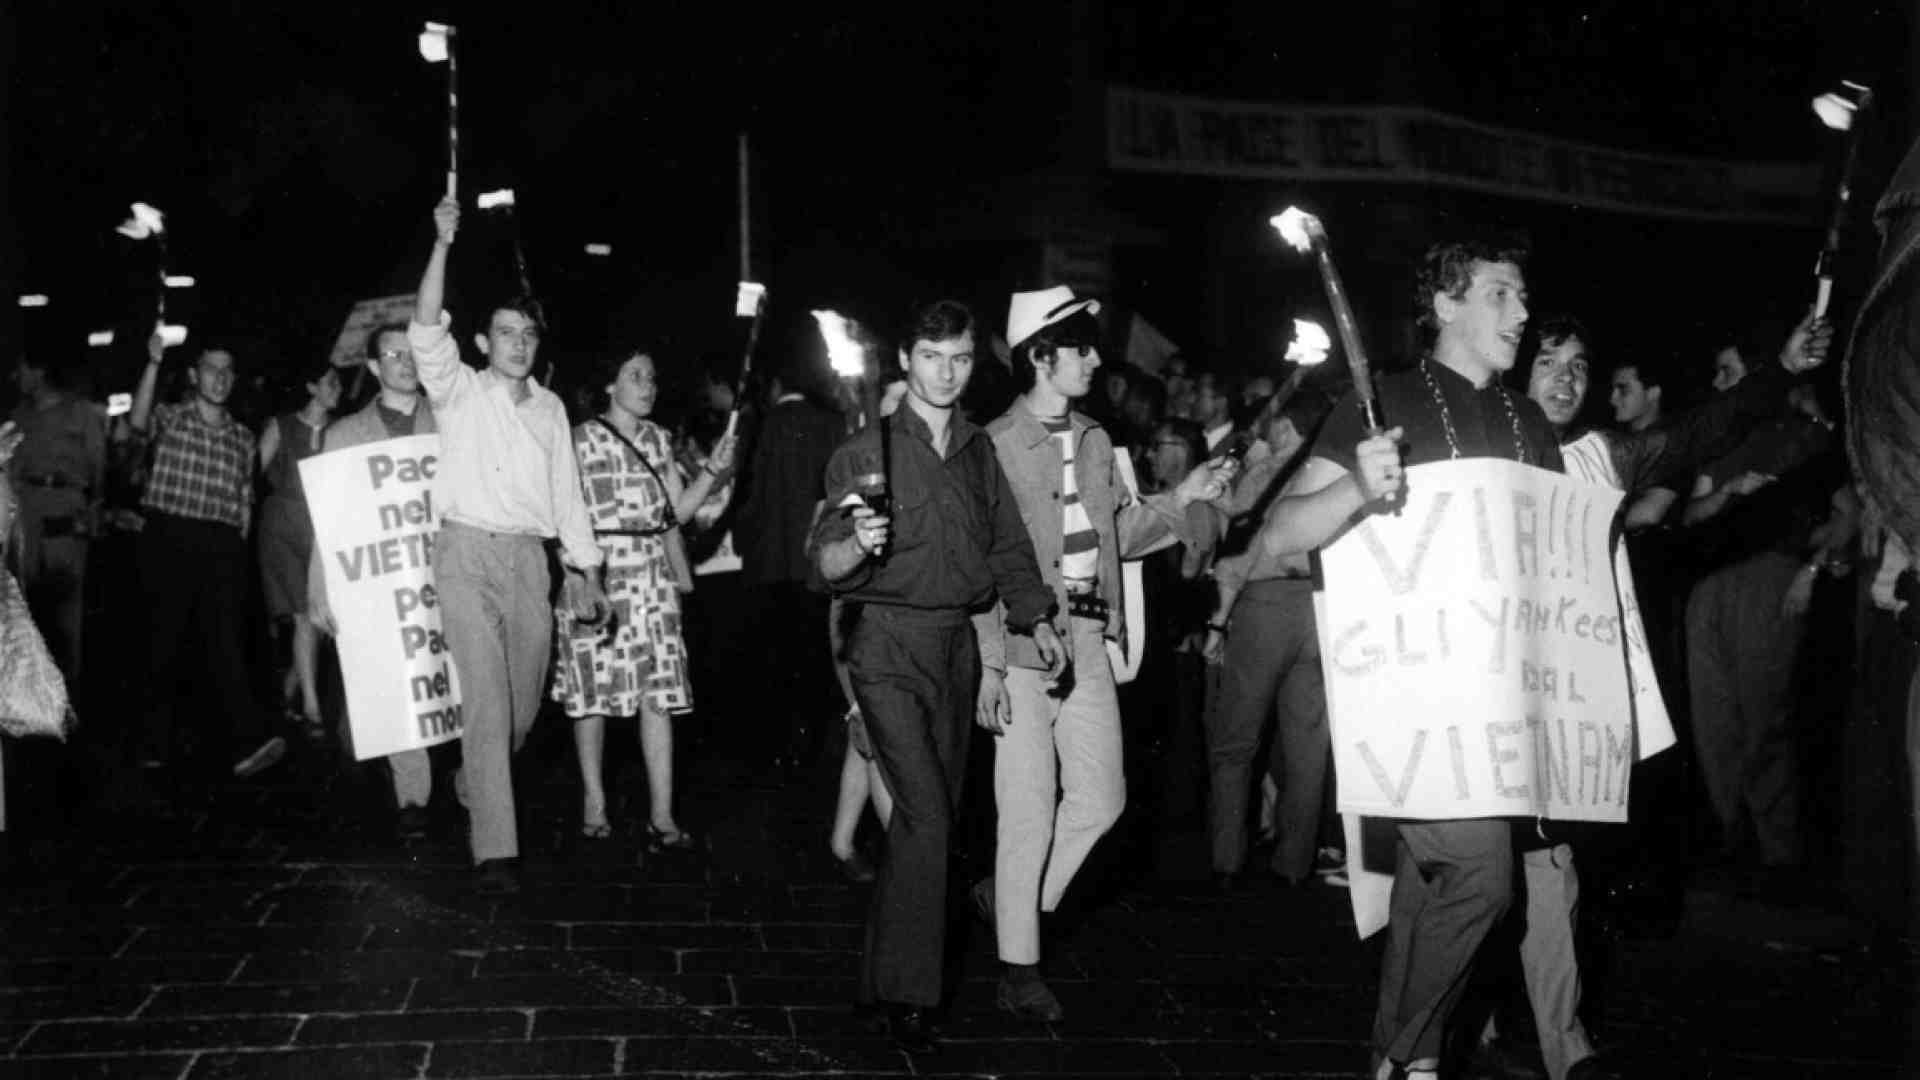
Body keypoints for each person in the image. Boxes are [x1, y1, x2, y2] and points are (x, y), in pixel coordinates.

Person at [1483, 310, 1829, 1080]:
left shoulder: (1605, 455)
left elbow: (1706, 427)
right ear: (1514, 368)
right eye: (1550, 361)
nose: (1569, 377)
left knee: (1551, 859)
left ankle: (1562, 1041)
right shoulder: (1470, 446)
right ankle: (1440, 1028)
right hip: (1480, 696)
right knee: (1472, 875)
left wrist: (1779, 367)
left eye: (1581, 364)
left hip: (1562, 697)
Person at [1259, 240, 1562, 1080]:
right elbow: (1281, 540)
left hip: (1494, 702)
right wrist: (1358, 485)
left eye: (1524, 296)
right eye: (1503, 293)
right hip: (1405, 695)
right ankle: (1405, 1058)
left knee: (1431, 889)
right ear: (1447, 305)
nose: (1522, 313)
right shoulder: (1379, 401)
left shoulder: (1529, 423)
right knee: (1480, 879)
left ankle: (1404, 1059)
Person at [811, 299, 1064, 1054]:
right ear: (905, 362)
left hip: (955, 646)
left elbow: (1009, 546)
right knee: (928, 816)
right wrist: (857, 541)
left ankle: (878, 979)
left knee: (930, 821)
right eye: (931, 358)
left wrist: (1037, 615)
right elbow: (824, 567)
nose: (946, 372)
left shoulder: (979, 451)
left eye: (958, 358)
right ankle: (912, 997)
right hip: (885, 647)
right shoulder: (865, 451)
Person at [970, 285, 1223, 1023]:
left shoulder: (1093, 440)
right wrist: (990, 659)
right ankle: (1020, 967)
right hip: (1021, 646)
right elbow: (982, 565)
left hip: (1088, 639)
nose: (1095, 359)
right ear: (1041, 357)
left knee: (1102, 797)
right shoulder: (991, 446)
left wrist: (1188, 496)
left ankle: (1014, 901)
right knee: (1025, 812)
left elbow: (1122, 536)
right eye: (1081, 347)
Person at [409, 196, 609, 894]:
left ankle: (472, 774)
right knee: (488, 705)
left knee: (522, 708)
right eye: (504, 332)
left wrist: (585, 571)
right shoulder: (458, 390)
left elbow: (568, 500)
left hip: (529, 562)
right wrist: (441, 245)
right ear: (484, 342)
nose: (518, 343)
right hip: (464, 555)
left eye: (527, 333)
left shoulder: (552, 409)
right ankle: (495, 851)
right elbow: (426, 325)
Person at [552, 347, 736, 854]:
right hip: (598, 575)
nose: (648, 385)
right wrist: (575, 574)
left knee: (657, 697)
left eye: (652, 377)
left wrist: (712, 473)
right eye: (635, 376)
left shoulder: (659, 440)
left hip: (653, 581)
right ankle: (594, 802)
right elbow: (562, 514)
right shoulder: (578, 440)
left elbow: (676, 512)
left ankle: (662, 813)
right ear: (609, 385)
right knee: (592, 696)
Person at [129, 330, 288, 781]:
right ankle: (151, 744)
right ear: (195, 375)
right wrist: (153, 365)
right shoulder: (171, 418)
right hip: (170, 535)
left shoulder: (242, 438)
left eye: (227, 371)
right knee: (164, 640)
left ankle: (246, 745)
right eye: (211, 369)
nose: (220, 378)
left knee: (226, 643)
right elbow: (136, 425)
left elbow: (243, 499)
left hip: (221, 545)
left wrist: (239, 541)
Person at [308, 322, 441, 843]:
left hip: (443, 573)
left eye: (412, 354)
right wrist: (319, 586)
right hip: (380, 581)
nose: (406, 362)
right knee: (397, 681)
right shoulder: (344, 435)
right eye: (393, 354)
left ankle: (462, 779)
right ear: (373, 367)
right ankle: (414, 796)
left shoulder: (450, 421)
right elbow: (330, 517)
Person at [1201, 389, 1336, 891]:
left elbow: (1233, 539)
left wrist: (1218, 621)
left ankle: (1226, 859)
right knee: (1307, 745)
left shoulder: (1268, 472)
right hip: (1316, 609)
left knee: (1235, 741)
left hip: (1263, 607)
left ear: (1284, 428)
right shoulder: (1328, 473)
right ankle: (1294, 863)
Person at [736, 360, 845, 770]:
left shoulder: (763, 424)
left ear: (776, 384)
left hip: (767, 565)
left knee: (775, 661)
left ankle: (779, 748)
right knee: (813, 659)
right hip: (814, 563)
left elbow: (750, 497)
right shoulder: (831, 423)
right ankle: (813, 745)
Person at [6, 353, 106, 679]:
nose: (16, 377)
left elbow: (99, 465)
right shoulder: (19, 417)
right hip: (28, 522)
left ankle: (65, 700)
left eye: (21, 369)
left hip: (64, 521)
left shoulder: (79, 413)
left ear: (38, 371)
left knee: (65, 618)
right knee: (27, 615)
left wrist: (93, 505)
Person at [258, 360, 341, 737]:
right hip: (283, 531)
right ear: (311, 387)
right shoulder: (281, 426)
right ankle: (312, 710)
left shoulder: (342, 432)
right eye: (330, 382)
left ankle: (280, 701)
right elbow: (249, 475)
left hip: (322, 533)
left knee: (319, 623)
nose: (337, 389)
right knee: (304, 617)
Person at [1607, 360, 1666, 434]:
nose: (1612, 400)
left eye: (1624, 390)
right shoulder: (1617, 436)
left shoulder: (1673, 440)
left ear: (1653, 393)